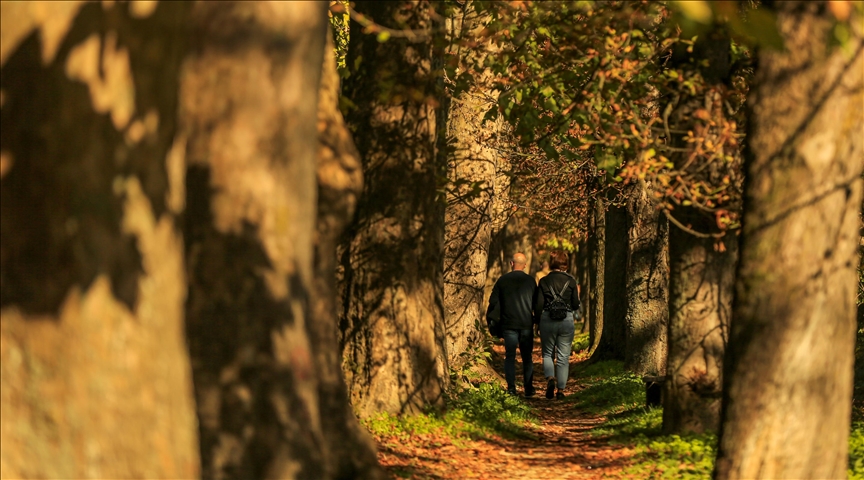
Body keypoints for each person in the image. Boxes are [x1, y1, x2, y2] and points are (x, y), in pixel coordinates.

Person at [486, 252, 537, 396]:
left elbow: (493, 301)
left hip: (508, 324)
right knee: (527, 357)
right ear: (525, 265)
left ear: (511, 263)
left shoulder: (502, 281)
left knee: (510, 356)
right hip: (526, 324)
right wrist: (536, 319)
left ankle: (511, 388)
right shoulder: (530, 281)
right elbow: (536, 303)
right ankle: (528, 388)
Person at [534, 250, 580, 399]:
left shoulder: (544, 281)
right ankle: (560, 390)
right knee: (563, 357)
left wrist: (537, 322)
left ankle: (550, 378)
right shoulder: (571, 281)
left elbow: (539, 305)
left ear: (552, 263)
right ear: (565, 264)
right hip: (566, 319)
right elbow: (575, 304)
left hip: (547, 318)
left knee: (547, 353)